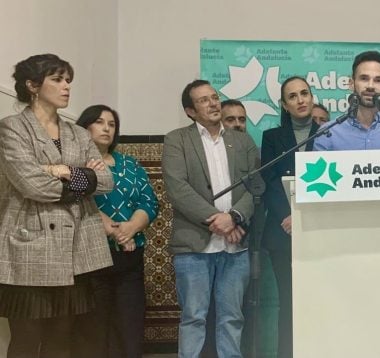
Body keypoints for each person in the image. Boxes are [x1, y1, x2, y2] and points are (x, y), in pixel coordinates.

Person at [0, 53, 114, 358]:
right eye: (58, 79)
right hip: (30, 247)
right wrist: (81, 177)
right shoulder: (12, 127)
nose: (66, 87)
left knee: (62, 341)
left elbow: (105, 181)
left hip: (74, 249)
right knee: (25, 341)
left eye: (68, 81)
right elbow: (31, 184)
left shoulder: (77, 132)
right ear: (33, 85)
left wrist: (62, 171)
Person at [162, 79, 259, 358]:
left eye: (214, 97)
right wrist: (219, 220)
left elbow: (256, 185)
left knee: (232, 317)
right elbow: (177, 189)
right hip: (194, 245)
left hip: (235, 246)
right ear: (190, 111)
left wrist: (236, 218)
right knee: (194, 318)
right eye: (203, 100)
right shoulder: (176, 139)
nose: (213, 103)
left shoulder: (242, 140)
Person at [73, 105, 159, 358]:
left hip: (130, 255)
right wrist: (113, 231)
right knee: (94, 327)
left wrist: (130, 228)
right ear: (85, 126)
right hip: (92, 256)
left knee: (129, 324)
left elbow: (149, 202)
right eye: (99, 122)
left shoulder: (129, 164)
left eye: (111, 124)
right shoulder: (76, 164)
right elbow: (77, 201)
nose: (106, 128)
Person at [261, 76, 320, 358]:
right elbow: (269, 181)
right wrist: (289, 215)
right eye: (293, 96)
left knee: (319, 302)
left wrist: (303, 216)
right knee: (291, 301)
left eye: (305, 93)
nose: (301, 100)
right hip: (282, 232)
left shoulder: (329, 134)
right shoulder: (272, 138)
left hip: (319, 231)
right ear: (285, 105)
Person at [313, 50, 380, 151]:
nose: (370, 86)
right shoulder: (328, 131)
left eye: (378, 80)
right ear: (351, 84)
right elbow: (317, 168)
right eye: (364, 78)